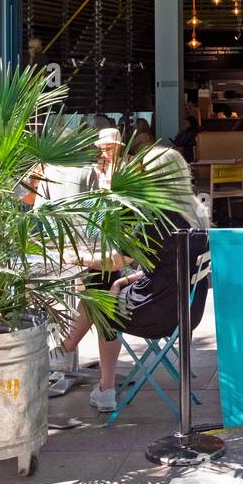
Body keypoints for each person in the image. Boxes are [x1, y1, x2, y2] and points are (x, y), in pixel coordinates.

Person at [57, 145, 210, 412]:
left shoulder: (156, 219)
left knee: (98, 293)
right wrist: (126, 280)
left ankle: (93, 377)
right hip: (186, 311)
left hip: (156, 311)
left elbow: (115, 261)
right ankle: (71, 358)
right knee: (106, 284)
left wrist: (76, 258)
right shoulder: (196, 214)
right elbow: (171, 266)